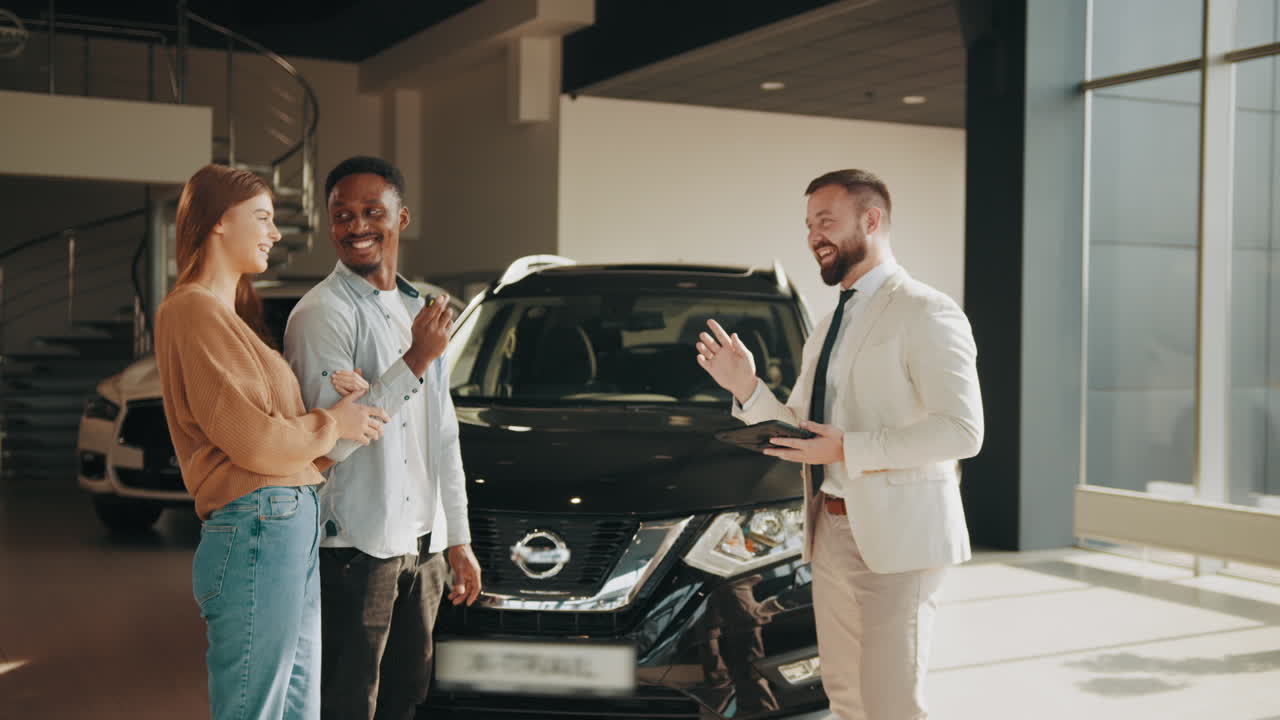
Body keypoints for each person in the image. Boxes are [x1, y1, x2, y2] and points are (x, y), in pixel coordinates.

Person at [694, 169, 983, 719]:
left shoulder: (927, 310)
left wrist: (850, 449)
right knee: (845, 695)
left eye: (826, 221)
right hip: (830, 532)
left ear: (871, 220)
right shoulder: (829, 324)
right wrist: (747, 388)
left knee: (892, 700)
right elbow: (802, 430)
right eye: (808, 225)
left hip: (899, 540)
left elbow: (963, 431)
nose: (813, 236)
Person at [154, 163, 390, 720]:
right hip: (261, 522)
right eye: (261, 217)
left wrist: (334, 412)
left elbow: (276, 437)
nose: (275, 232)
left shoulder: (226, 318)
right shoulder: (192, 310)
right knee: (257, 708)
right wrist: (331, 425)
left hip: (282, 522)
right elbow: (256, 444)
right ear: (217, 223)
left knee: (292, 708)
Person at [283, 156, 481, 720]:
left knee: (405, 699)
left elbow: (443, 434)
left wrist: (456, 538)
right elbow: (329, 443)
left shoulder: (421, 308)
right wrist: (414, 361)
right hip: (355, 549)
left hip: (421, 548)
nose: (356, 225)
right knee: (349, 704)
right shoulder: (322, 314)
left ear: (402, 216)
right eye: (342, 215)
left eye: (372, 211)